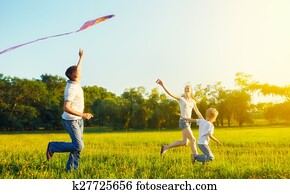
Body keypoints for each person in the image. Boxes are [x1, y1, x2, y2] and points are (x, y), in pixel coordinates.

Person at [46, 48, 93, 171]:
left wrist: (81, 57)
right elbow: (66, 107)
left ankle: (71, 170)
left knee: (77, 146)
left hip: (77, 120)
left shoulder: (76, 81)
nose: (80, 71)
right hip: (71, 120)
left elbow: (78, 68)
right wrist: (83, 114)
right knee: (78, 145)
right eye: (77, 71)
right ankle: (53, 146)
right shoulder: (71, 89)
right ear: (73, 75)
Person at [156, 79, 204, 156]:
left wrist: (204, 120)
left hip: (188, 122)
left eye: (188, 88)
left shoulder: (193, 101)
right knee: (193, 140)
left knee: (184, 142)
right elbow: (170, 94)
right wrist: (162, 85)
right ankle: (196, 157)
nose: (186, 89)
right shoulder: (181, 99)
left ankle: (165, 147)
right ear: (184, 91)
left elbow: (197, 112)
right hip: (183, 122)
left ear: (191, 90)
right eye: (185, 88)